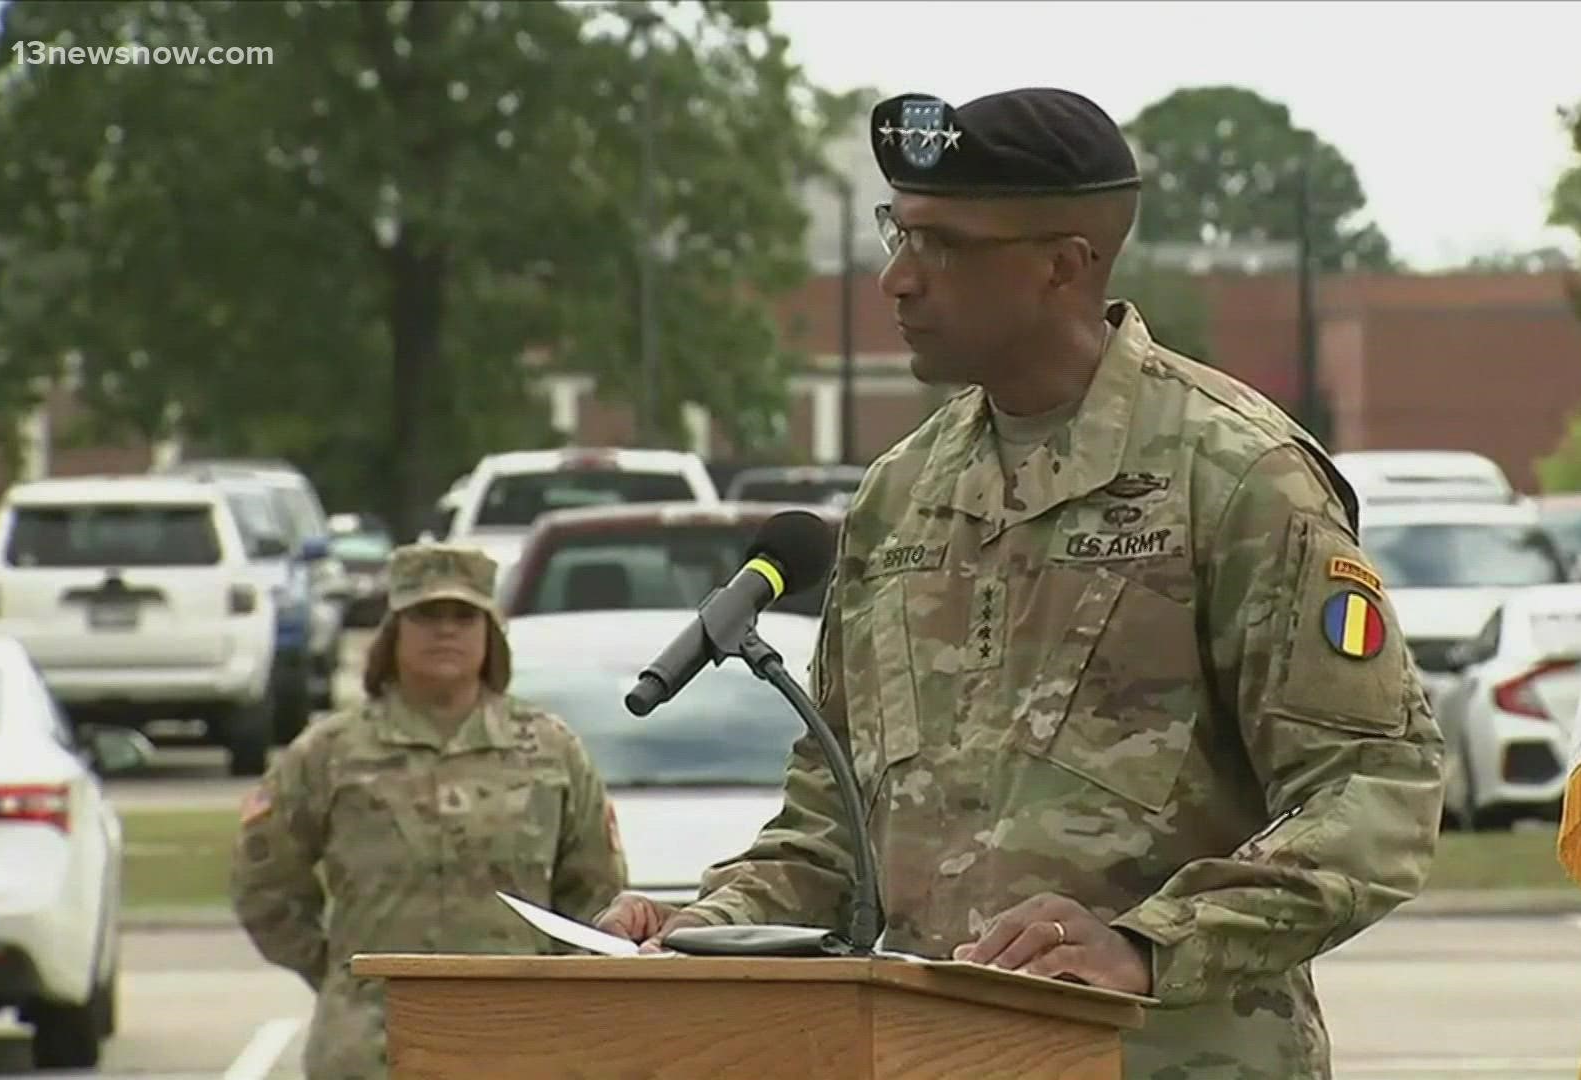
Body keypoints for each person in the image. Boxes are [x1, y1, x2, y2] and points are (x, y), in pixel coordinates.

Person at [595, 86, 1444, 1078]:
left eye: (944, 246)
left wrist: (1148, 944)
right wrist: (703, 926)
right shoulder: (901, 494)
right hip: (930, 1059)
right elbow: (837, 825)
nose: (897, 281)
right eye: (897, 233)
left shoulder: (1237, 478)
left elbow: (1374, 788)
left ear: (1063, 266)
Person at [232, 542, 627, 1080]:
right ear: (393, 632)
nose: (447, 630)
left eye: (464, 616)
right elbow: (264, 882)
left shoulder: (550, 750)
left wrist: (556, 988)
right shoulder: (330, 751)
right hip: (372, 1045)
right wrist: (336, 973)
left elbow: (596, 891)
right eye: (426, 616)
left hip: (518, 1043)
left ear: (490, 633)